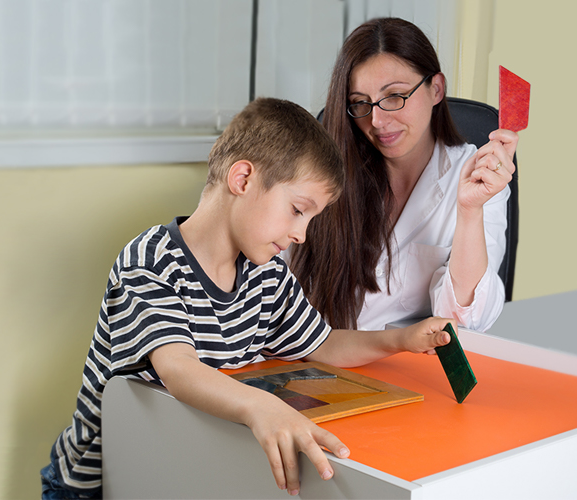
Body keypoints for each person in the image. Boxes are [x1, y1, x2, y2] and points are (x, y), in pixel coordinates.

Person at [39, 98, 456, 499]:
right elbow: (178, 369)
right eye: (297, 210)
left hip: (185, 465)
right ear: (242, 179)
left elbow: (323, 343)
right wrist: (263, 408)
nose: (301, 234)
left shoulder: (267, 273)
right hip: (100, 479)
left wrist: (399, 340)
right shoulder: (149, 262)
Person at [291, 17, 519, 333]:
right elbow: (276, 277)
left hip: (401, 368)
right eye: (360, 103)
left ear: (436, 89)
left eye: (395, 96)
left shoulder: (474, 174)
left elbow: (468, 319)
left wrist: (469, 210)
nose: (377, 120)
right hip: (310, 357)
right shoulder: (329, 167)